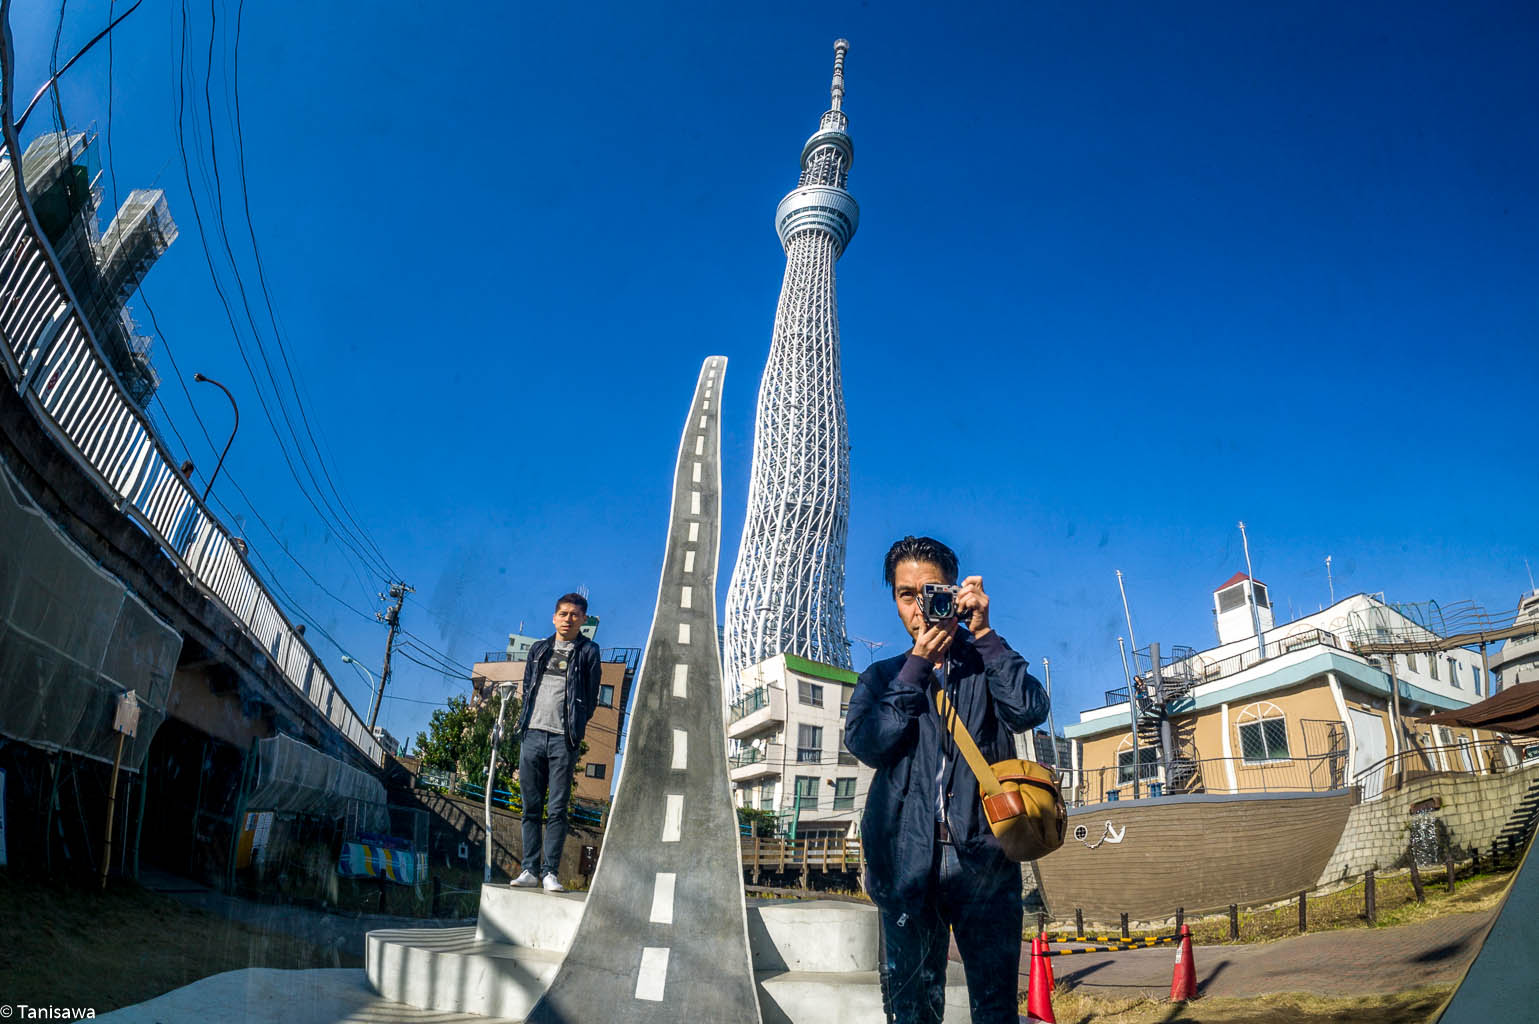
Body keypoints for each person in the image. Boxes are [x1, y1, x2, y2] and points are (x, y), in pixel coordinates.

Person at [845, 536, 1051, 1023]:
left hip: (985, 860)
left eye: (931, 591)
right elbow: (868, 743)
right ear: (895, 601)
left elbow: (1029, 710)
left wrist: (985, 633)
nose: (920, 607)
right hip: (905, 865)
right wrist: (915, 670)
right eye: (905, 594)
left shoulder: (987, 662)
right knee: (911, 1011)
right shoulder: (882, 676)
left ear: (955, 593)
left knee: (995, 1008)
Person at [512, 592, 602, 892]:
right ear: (554, 617)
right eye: (563, 614)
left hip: (563, 739)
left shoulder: (589, 652)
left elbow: (589, 700)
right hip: (533, 734)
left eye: (574, 615)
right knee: (530, 807)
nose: (568, 619)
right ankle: (529, 869)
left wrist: (573, 730)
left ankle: (550, 872)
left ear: (583, 620)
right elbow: (528, 688)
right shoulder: (538, 649)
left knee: (557, 809)